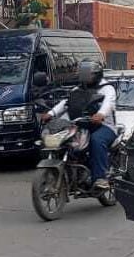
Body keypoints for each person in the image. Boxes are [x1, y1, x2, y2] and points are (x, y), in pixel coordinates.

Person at [41, 60, 117, 190]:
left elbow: (108, 103)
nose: (86, 78)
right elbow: (65, 103)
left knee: (96, 140)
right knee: (64, 141)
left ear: (97, 74)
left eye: (89, 75)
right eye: (84, 75)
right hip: (81, 125)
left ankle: (100, 178)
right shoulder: (77, 90)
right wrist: (51, 113)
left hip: (104, 126)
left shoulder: (107, 89)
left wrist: (100, 114)